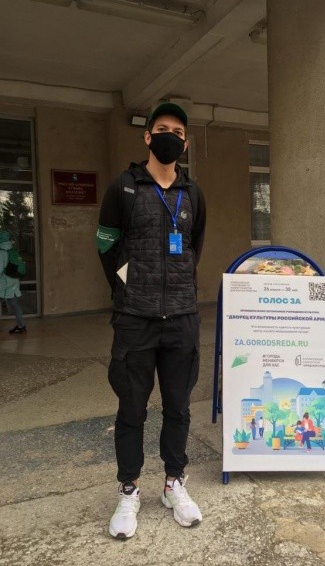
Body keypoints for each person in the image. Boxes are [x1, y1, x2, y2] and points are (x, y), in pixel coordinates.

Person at [96, 103, 206, 539]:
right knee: (131, 409)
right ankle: (129, 490)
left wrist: (177, 288)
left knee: (178, 407)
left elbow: (195, 246)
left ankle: (174, 483)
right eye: (162, 129)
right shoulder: (123, 187)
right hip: (135, 320)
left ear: (185, 142)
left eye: (177, 132)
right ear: (147, 137)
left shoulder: (192, 193)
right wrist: (128, 287)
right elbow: (106, 245)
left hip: (181, 319)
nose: (169, 137)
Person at [0, 230, 26, 334]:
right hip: (14, 282)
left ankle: (21, 326)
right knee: (15, 305)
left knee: (13, 304)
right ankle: (21, 326)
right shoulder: (12, 250)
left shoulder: (1, 252)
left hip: (3, 284)